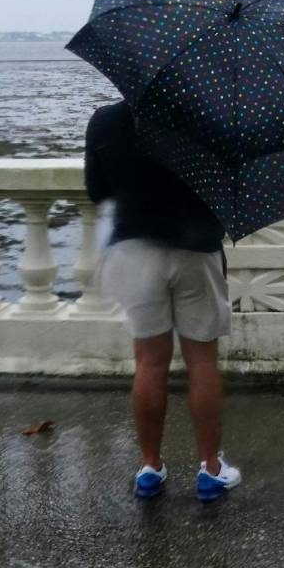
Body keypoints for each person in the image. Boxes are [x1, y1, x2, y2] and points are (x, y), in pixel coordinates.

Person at [85, 101, 241, 501]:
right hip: (196, 247)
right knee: (202, 360)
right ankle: (210, 469)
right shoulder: (208, 117)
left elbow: (97, 190)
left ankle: (151, 467)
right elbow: (227, 189)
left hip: (135, 249)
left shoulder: (106, 121)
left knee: (149, 362)